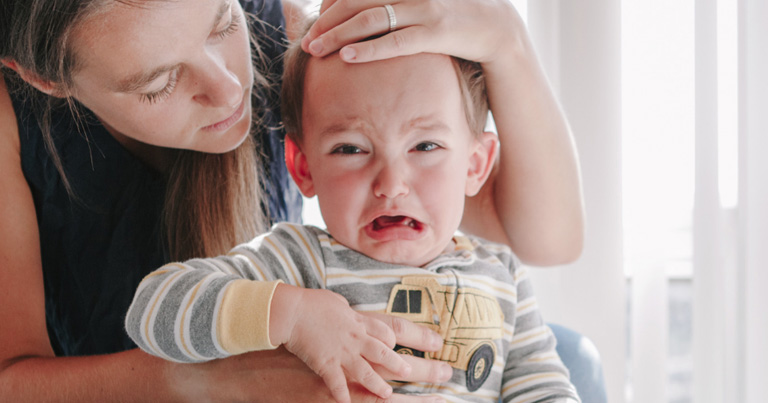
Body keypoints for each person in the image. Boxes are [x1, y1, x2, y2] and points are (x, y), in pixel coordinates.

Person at [0, 0, 595, 401]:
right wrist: (224, 374)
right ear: (44, 79)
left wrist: (506, 42)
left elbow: (549, 242)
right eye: (159, 84)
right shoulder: (295, 263)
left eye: (222, 24)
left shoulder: (302, 42)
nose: (232, 88)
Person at [125, 37, 581, 402]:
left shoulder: (503, 277)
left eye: (425, 147)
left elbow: (543, 389)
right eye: (351, 149)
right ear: (304, 168)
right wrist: (292, 315)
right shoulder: (300, 262)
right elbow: (151, 311)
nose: (392, 183)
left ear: (475, 165)